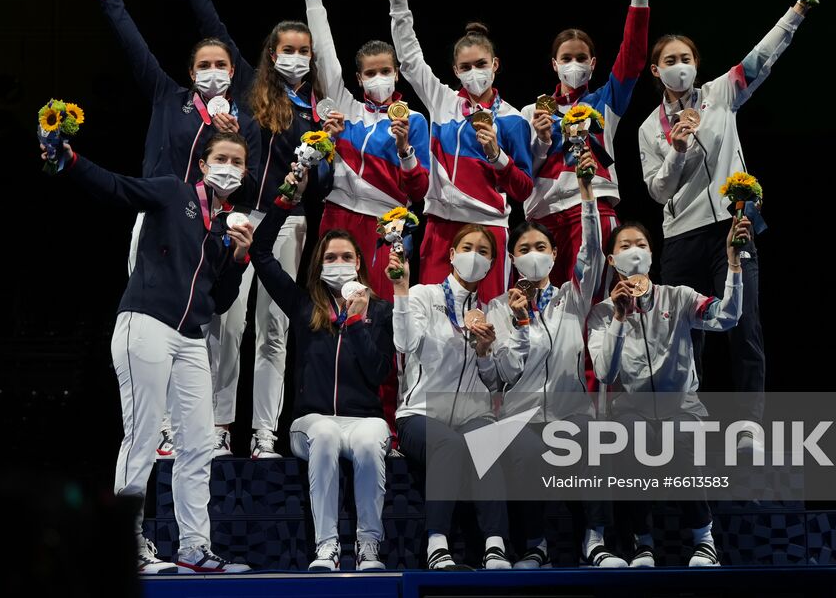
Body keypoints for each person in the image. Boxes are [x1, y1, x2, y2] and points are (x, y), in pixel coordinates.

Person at [44, 130, 257, 574]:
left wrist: (238, 261)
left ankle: (194, 547)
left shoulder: (225, 228)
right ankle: (124, 545)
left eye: (238, 162)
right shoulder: (172, 191)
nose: (230, 168)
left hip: (191, 338)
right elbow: (117, 187)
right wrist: (72, 160)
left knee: (199, 445)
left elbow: (216, 301)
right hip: (145, 324)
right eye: (222, 158)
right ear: (203, 164)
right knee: (142, 437)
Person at [85, 0, 263, 460]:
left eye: (221, 65)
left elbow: (246, 184)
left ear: (234, 72)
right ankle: (159, 427)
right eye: (204, 65)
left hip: (211, 228)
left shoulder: (241, 124)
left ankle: (204, 427)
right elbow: (133, 46)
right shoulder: (169, 98)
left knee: (208, 325)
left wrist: (233, 137)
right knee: (155, 324)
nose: (213, 72)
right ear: (190, 72)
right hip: (161, 221)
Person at [168, 0, 328, 460]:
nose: (297, 57)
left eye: (304, 50)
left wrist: (319, 161)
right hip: (239, 217)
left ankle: (264, 435)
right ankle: (216, 428)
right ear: (270, 52)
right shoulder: (249, 89)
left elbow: (324, 184)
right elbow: (208, 20)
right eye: (288, 49)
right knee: (226, 326)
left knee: (275, 332)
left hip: (289, 223)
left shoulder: (317, 109)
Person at [636, 0, 813, 432]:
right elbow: (658, 193)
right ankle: (685, 426)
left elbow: (763, 55)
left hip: (734, 230)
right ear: (656, 70)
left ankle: (749, 429)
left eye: (687, 57)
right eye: (670, 59)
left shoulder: (720, 93)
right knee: (684, 338)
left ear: (696, 63)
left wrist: (799, 9)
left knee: (745, 329)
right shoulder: (647, 128)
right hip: (680, 239)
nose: (681, 65)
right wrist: (675, 151)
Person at [298, 0, 429, 433]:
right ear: (357, 78)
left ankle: (391, 422)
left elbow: (420, 189)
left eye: (387, 70)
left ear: (396, 72)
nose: (380, 78)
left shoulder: (412, 120)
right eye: (370, 71)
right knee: (326, 313)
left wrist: (407, 151)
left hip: (387, 228)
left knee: (388, 319)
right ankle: (325, 407)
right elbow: (324, 47)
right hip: (338, 223)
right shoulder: (344, 108)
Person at [482, 149, 626, 569]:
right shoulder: (497, 307)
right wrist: (521, 325)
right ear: (512, 258)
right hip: (522, 416)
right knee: (524, 451)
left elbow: (595, 254)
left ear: (554, 252)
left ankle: (595, 542)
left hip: (570, 413)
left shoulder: (572, 297)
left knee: (596, 443)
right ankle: (535, 545)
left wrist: (586, 194)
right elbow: (502, 375)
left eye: (541, 246)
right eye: (524, 247)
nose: (532, 253)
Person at [250, 166, 396, 572]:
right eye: (330, 257)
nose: (339, 263)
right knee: (327, 434)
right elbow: (261, 252)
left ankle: (368, 546)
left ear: (360, 266)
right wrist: (285, 199)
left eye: (347, 257)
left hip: (364, 421)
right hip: (311, 422)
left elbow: (379, 373)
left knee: (369, 441)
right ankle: (327, 546)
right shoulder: (303, 306)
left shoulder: (380, 311)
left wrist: (361, 322)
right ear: (319, 265)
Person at [586, 216, 752, 568]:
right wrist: (618, 317)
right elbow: (605, 372)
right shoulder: (602, 313)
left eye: (641, 245)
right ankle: (642, 543)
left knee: (680, 437)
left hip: (682, 407)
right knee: (630, 436)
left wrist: (733, 264)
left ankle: (704, 540)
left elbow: (727, 317)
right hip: (632, 408)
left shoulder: (679, 298)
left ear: (651, 254)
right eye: (625, 246)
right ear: (611, 260)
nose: (635, 252)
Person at [382, 0, 534, 302]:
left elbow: (523, 190)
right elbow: (409, 59)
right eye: (465, 67)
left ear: (495, 65)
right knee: (434, 321)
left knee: (491, 320)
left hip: (491, 228)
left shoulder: (512, 120)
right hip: (441, 227)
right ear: (455, 70)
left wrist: (497, 156)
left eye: (481, 65)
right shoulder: (442, 102)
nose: (474, 72)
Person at [520, 0, 654, 288]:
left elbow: (634, 56)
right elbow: (518, 176)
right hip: (544, 220)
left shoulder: (605, 103)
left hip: (594, 210)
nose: (574, 64)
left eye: (581, 58)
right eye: (567, 58)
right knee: (549, 312)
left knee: (596, 307)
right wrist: (540, 142)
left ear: (593, 63)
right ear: (554, 64)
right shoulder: (531, 112)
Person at [393, 223, 513, 570]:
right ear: (451, 254)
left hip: (473, 413)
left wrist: (485, 351)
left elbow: (495, 382)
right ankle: (437, 543)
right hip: (419, 414)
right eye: (467, 247)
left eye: (484, 251)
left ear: (492, 264)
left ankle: (495, 545)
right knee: (449, 444)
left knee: (487, 440)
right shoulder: (422, 296)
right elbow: (404, 344)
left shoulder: (494, 313)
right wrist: (400, 289)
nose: (474, 256)